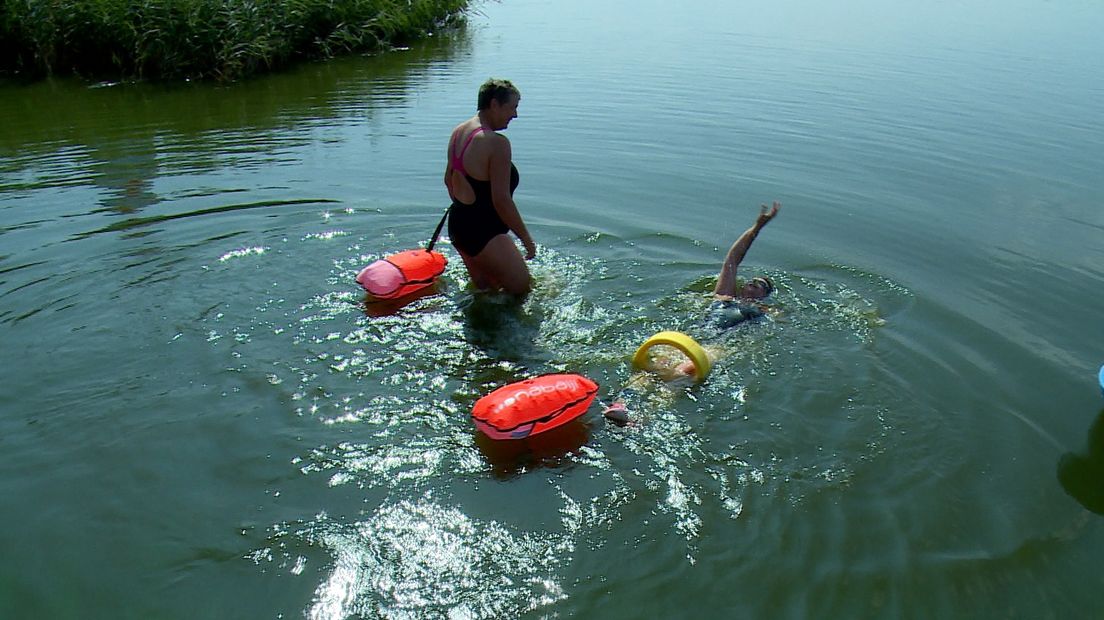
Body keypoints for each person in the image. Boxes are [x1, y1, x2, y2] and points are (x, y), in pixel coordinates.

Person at [603, 201, 782, 423]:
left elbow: (779, 320)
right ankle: (622, 403)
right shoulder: (724, 296)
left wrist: (771, 312)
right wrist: (757, 227)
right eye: (753, 280)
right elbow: (732, 260)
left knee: (684, 372)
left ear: (764, 295)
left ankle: (642, 417)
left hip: (718, 346)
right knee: (655, 368)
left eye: (761, 285)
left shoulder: (762, 310)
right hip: (692, 337)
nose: (755, 284)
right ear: (743, 285)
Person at [444, 78, 535, 296]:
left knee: (486, 296)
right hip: (484, 233)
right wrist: (527, 240)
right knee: (524, 291)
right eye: (512, 107)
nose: (515, 115)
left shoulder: (459, 132)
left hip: (458, 227)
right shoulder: (497, 143)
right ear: (494, 104)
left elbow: (449, 180)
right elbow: (501, 200)